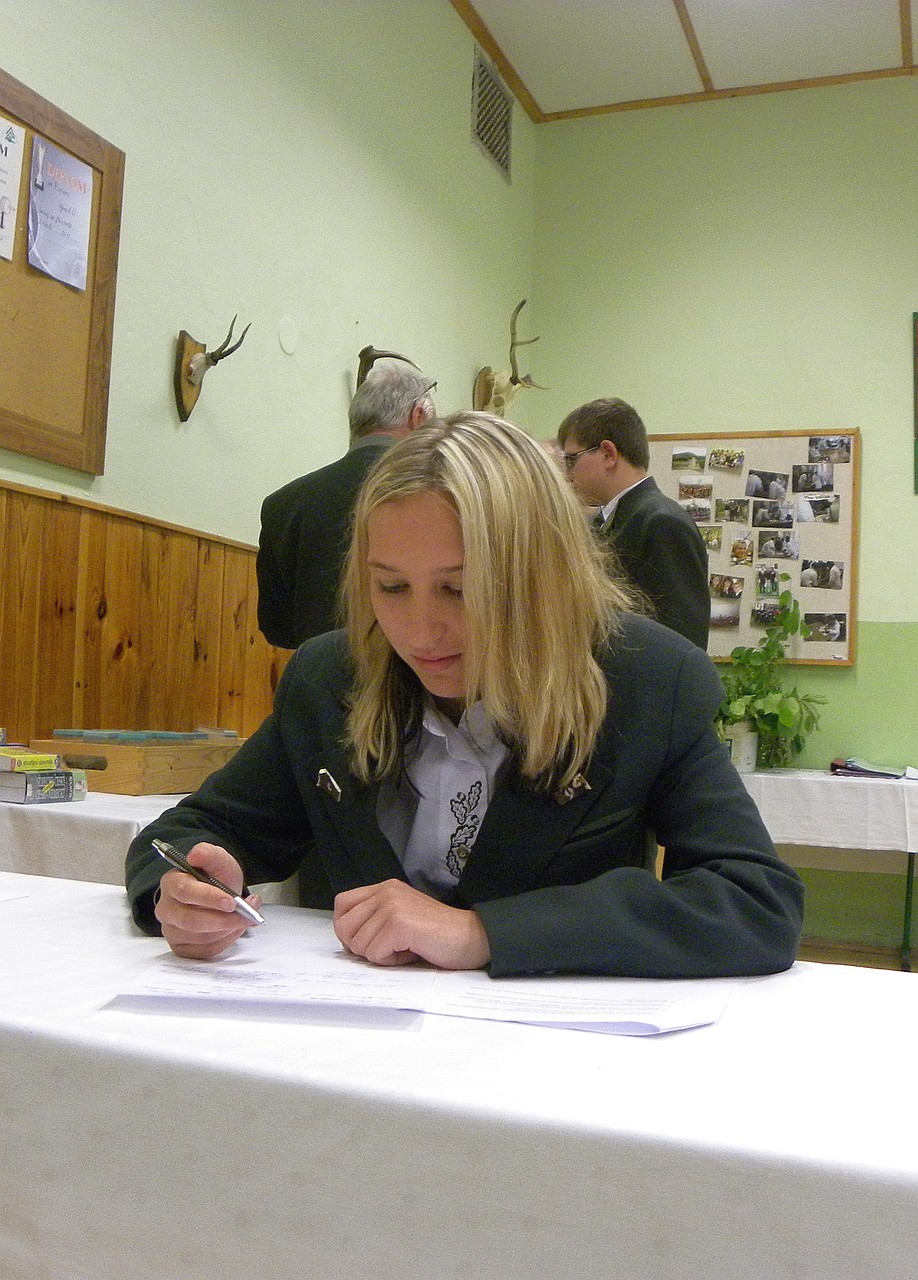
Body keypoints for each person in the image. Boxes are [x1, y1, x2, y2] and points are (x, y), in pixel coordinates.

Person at [126, 413, 802, 978]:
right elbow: (185, 836)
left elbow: (755, 902)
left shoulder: (650, 681)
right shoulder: (329, 679)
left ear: (541, 576)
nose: (421, 632)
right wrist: (186, 892)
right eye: (392, 586)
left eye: (460, 587)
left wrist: (484, 932)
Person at [255, 364, 437, 649]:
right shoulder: (437, 496)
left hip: (315, 672)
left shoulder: (283, 504)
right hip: (415, 670)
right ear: (418, 416)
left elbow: (276, 628)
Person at [557, 398, 710, 649]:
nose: (566, 474)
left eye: (571, 460)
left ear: (608, 454)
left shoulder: (662, 522)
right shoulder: (609, 519)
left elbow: (682, 644)